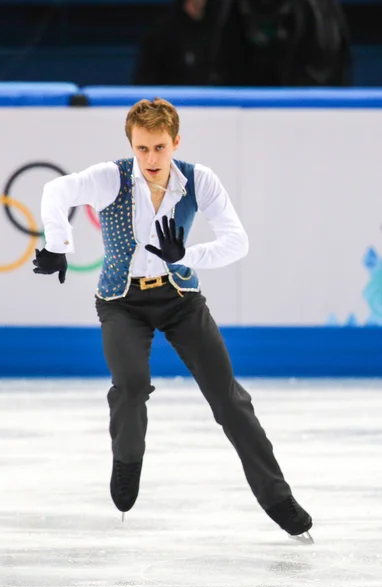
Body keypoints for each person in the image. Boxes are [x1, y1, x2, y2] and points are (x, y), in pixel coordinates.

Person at [32, 98, 313, 541]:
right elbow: (56, 192)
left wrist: (188, 256)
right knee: (131, 386)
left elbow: (237, 242)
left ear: (175, 142)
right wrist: (57, 244)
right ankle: (127, 462)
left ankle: (277, 498)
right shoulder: (113, 178)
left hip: (180, 298)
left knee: (230, 401)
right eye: (142, 149)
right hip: (122, 302)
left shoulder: (199, 181)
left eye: (159, 148)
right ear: (132, 144)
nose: (151, 159)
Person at [134, 0, 350, 87]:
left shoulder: (317, 12)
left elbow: (329, 72)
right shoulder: (225, 14)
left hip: (305, 120)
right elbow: (220, 71)